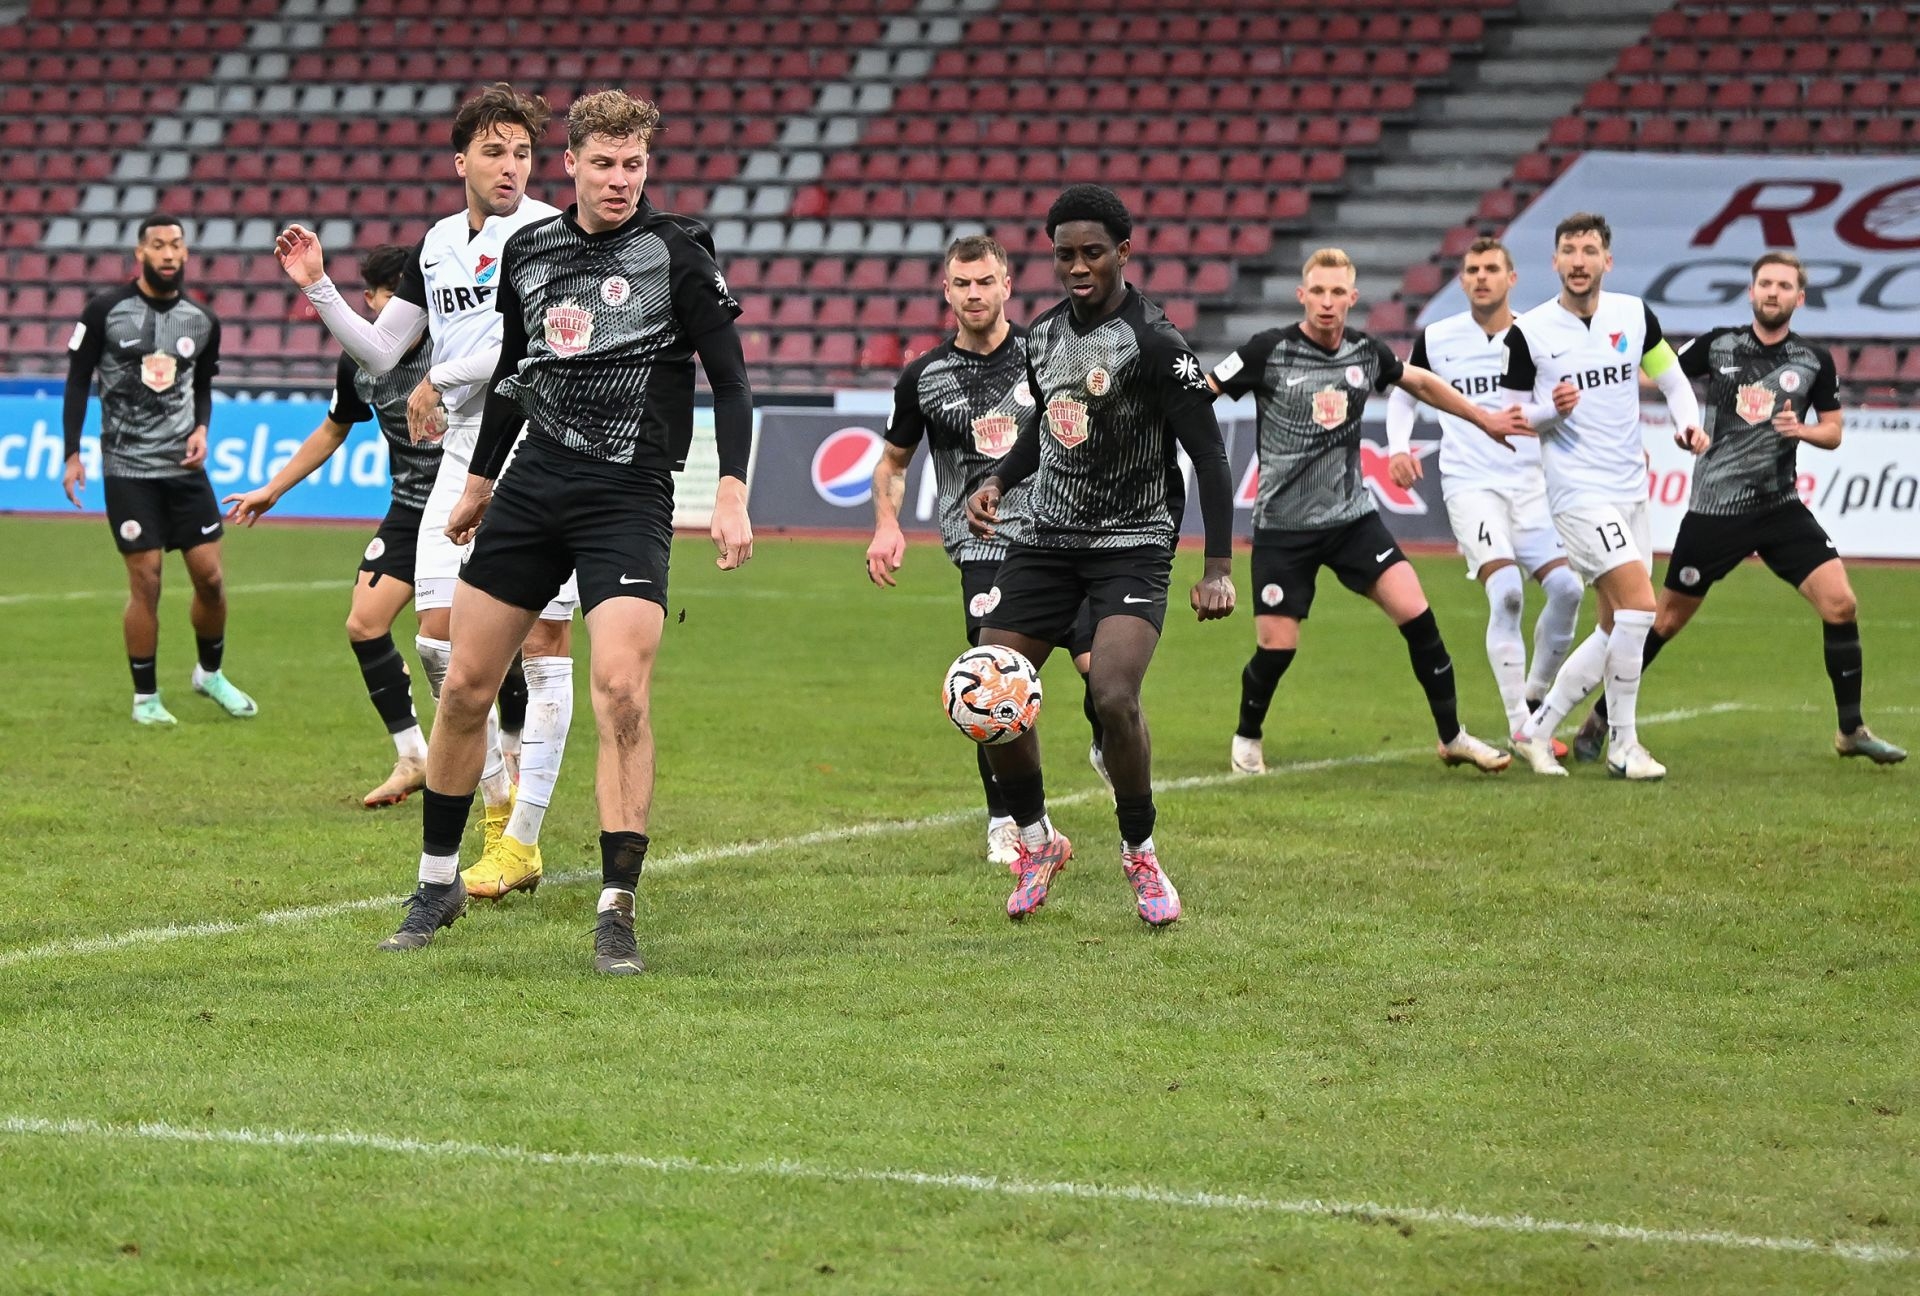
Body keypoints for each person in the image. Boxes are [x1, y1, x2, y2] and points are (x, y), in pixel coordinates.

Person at [371, 89, 755, 973]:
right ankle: (435, 885)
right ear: (572, 164)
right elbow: (514, 371)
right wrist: (476, 485)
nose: (622, 180)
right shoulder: (530, 250)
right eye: (606, 164)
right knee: (466, 686)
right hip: (532, 488)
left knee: (621, 692)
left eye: (636, 165)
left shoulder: (676, 254)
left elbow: (731, 383)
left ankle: (616, 907)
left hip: (627, 495)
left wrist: (730, 488)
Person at [275, 84, 576, 895]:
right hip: (459, 456)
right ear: (461, 162)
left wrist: (439, 376)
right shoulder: (438, 244)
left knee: (545, 648)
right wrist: (318, 286)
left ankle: (522, 838)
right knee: (440, 642)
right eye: (494, 150)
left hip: (538, 448)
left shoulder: (550, 234)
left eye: (522, 151)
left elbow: (536, 352)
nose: (511, 165)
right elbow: (379, 351)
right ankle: (493, 796)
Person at [964, 184, 1235, 928]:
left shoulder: (1156, 342)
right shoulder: (1042, 337)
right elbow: (1047, 427)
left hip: (1133, 546)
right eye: (1064, 254)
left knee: (1112, 695)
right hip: (1045, 542)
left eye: (1091, 253)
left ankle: (1140, 852)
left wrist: (1218, 568)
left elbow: (1210, 457)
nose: (1077, 266)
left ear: (1123, 251)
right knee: (992, 695)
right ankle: (1037, 839)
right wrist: (997, 480)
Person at [1572, 252, 1904, 766]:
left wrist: (1804, 432)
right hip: (1715, 509)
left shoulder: (1814, 360)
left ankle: (1850, 729)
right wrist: (1678, 424)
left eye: (1784, 285)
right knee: (1662, 622)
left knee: (1841, 604)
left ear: (1800, 297)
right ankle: (1599, 718)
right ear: (1751, 292)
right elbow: (1656, 378)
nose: (1773, 292)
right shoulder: (1717, 344)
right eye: (1765, 283)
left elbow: (1834, 431)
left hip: (1780, 507)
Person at [1212, 248, 1520, 776]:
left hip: (1352, 519)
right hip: (1283, 528)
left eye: (1338, 293)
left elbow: (1418, 381)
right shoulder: (1270, 350)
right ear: (1302, 295)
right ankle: (1247, 736)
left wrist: (1483, 418)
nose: (1328, 303)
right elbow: (1205, 390)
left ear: (1353, 298)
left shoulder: (1364, 352)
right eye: (1319, 292)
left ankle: (1452, 737)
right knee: (1277, 647)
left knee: (1419, 616)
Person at [865, 234, 1103, 870]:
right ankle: (1011, 820)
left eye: (985, 282)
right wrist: (888, 524)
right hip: (984, 548)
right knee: (993, 683)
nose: (974, 294)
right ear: (947, 291)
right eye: (961, 285)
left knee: (1099, 669)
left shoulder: (1045, 355)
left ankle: (1106, 737)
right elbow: (892, 463)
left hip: (1062, 536)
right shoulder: (925, 377)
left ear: (1007, 286)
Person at [222, 244, 445, 805]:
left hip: (473, 508)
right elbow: (333, 429)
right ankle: (413, 756)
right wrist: (271, 490)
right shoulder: (360, 363)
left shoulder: (453, 349)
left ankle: (508, 759)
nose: (401, 311)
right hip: (410, 509)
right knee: (365, 624)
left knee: (460, 642)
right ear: (369, 302)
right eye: (390, 298)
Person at [1500, 212, 1708, 780]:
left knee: (1615, 625)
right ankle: (1623, 744)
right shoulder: (1530, 332)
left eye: (1589, 250)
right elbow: (1509, 416)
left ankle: (1535, 732)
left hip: (1630, 490)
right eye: (1568, 250)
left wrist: (1687, 425)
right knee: (1642, 607)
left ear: (1606, 261)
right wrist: (1551, 411)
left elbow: (1672, 380)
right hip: (1577, 492)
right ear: (1555, 261)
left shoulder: (1633, 315)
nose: (1579, 260)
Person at [1385, 237, 1585, 751]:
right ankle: (1523, 725)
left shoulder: (1537, 337)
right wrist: (1398, 448)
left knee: (1568, 591)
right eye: (1472, 269)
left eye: (1491, 269)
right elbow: (1406, 394)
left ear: (1511, 279)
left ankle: (1535, 700)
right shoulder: (1439, 337)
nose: (1480, 277)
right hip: (1471, 486)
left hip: (1531, 487)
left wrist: (1558, 408)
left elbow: (1544, 409)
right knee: (1510, 592)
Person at [61, 213, 255, 725]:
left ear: (186, 254)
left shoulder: (203, 320)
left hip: (184, 469)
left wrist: (202, 430)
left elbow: (203, 386)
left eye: (176, 245)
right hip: (128, 469)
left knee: (211, 579)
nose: (168, 253)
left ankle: (209, 674)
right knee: (146, 582)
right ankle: (145, 697)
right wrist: (71, 453)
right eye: (158, 245)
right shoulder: (104, 311)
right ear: (140, 255)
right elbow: (78, 381)